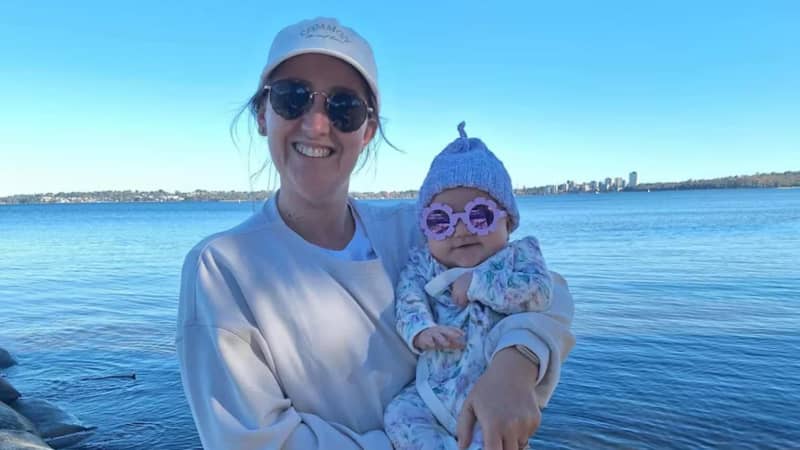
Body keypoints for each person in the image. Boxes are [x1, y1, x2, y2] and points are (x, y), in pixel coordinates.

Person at [176, 17, 575, 450]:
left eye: (344, 106)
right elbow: (256, 442)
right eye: (292, 98)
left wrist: (516, 363)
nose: (316, 124)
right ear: (262, 114)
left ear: (367, 130)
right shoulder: (222, 270)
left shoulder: (417, 229)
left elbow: (546, 288)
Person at [384, 123, 554, 450]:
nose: (461, 230)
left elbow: (540, 292)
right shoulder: (423, 265)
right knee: (398, 414)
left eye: (480, 216)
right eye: (441, 220)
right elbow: (407, 298)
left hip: (490, 396)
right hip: (433, 388)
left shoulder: (518, 257)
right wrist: (421, 330)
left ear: (508, 222)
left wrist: (479, 283)